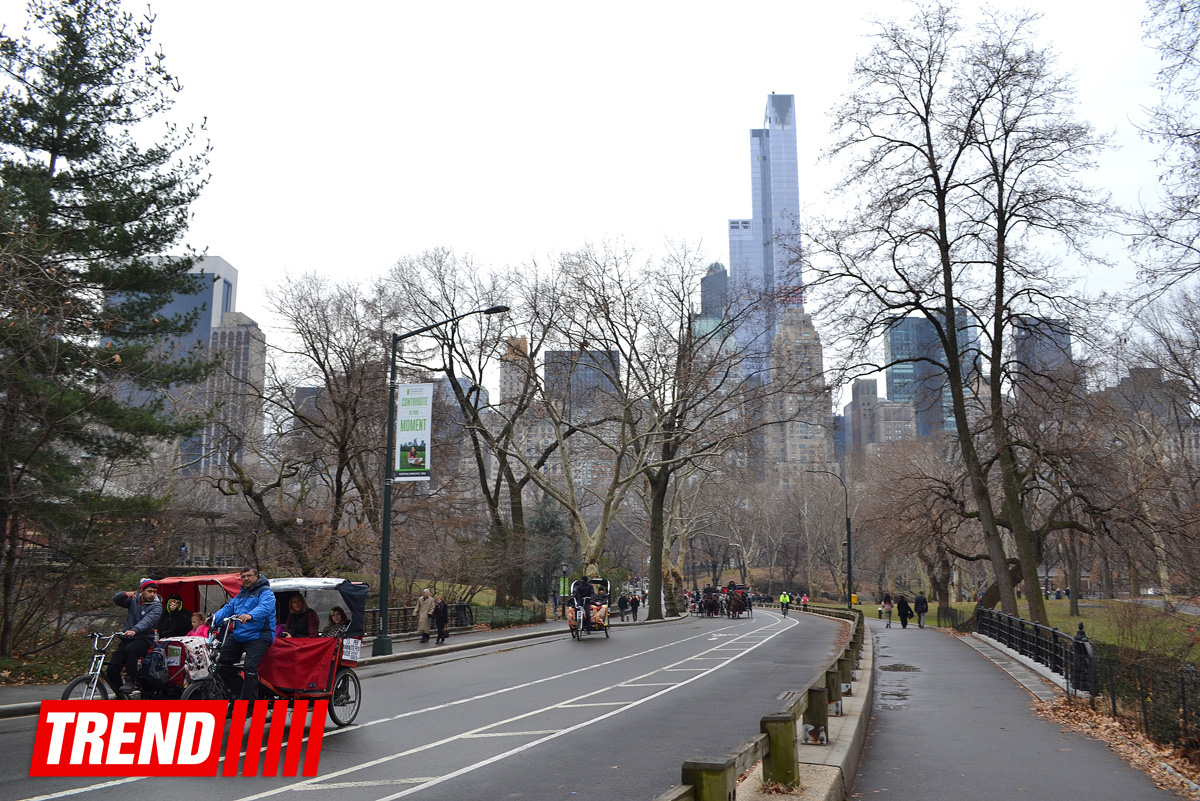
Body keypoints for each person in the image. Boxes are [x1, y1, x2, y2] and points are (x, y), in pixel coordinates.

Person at [212, 566, 277, 710]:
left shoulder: (265, 592)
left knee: (250, 666)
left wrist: (250, 615)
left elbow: (265, 608)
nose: (246, 579)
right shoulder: (241, 595)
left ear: (257, 576)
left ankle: (251, 705)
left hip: (259, 636)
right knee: (221, 663)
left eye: (249, 576)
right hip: (240, 635)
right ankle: (240, 692)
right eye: (243, 576)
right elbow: (228, 608)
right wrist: (213, 618)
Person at [106, 578, 162, 696]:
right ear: (142, 591)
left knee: (130, 649)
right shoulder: (134, 600)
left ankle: (131, 679)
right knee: (111, 670)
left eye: (154, 592)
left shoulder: (157, 607)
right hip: (128, 638)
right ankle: (122, 697)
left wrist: (134, 630)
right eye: (149, 591)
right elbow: (116, 600)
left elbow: (147, 621)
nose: (152, 594)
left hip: (144, 639)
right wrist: (124, 594)